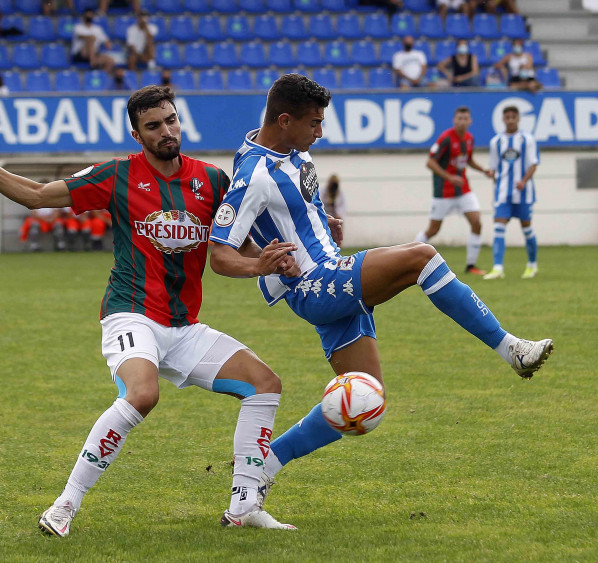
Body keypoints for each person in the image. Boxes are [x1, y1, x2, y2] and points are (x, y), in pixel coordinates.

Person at [0, 85, 301, 534]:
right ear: (138, 135)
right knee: (142, 394)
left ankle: (244, 506)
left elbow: (235, 248)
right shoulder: (117, 175)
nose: (166, 131)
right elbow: (37, 195)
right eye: (153, 126)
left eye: (170, 120)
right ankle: (64, 506)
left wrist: (266, 259)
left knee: (265, 384)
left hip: (183, 325)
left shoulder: (212, 181)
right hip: (130, 313)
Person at [207, 74, 554, 512]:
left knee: (363, 401)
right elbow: (221, 252)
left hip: (329, 275)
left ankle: (262, 469)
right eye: (314, 122)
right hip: (318, 285)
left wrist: (322, 223)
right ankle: (511, 349)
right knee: (421, 257)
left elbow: (282, 217)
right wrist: (263, 263)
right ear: (284, 119)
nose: (320, 131)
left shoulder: (291, 153)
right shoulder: (254, 174)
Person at [415, 106, 494, 275]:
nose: (463, 122)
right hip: (443, 191)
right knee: (433, 230)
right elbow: (430, 162)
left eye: (466, 118)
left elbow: (468, 160)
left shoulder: (469, 138)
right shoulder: (445, 138)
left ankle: (471, 266)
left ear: (470, 121)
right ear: (454, 120)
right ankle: (409, 257)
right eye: (460, 118)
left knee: (477, 222)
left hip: (463, 189)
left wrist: (483, 170)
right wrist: (449, 177)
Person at [484, 105, 539, 280]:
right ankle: (498, 268)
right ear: (503, 119)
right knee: (498, 228)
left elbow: (533, 164)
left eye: (513, 117)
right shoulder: (496, 142)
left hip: (523, 193)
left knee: (527, 229)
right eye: (507, 117)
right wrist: (494, 180)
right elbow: (493, 168)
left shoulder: (527, 139)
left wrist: (523, 181)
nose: (510, 120)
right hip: (503, 194)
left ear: (518, 118)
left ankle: (532, 265)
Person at [71, 9, 115, 73]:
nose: (89, 17)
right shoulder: (78, 27)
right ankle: (93, 62)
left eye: (90, 15)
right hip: (80, 55)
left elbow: (106, 40)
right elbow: (79, 36)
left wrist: (108, 43)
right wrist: (90, 37)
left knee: (110, 61)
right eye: (87, 15)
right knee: (91, 39)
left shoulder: (97, 29)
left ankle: (102, 77)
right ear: (84, 16)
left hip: (94, 54)